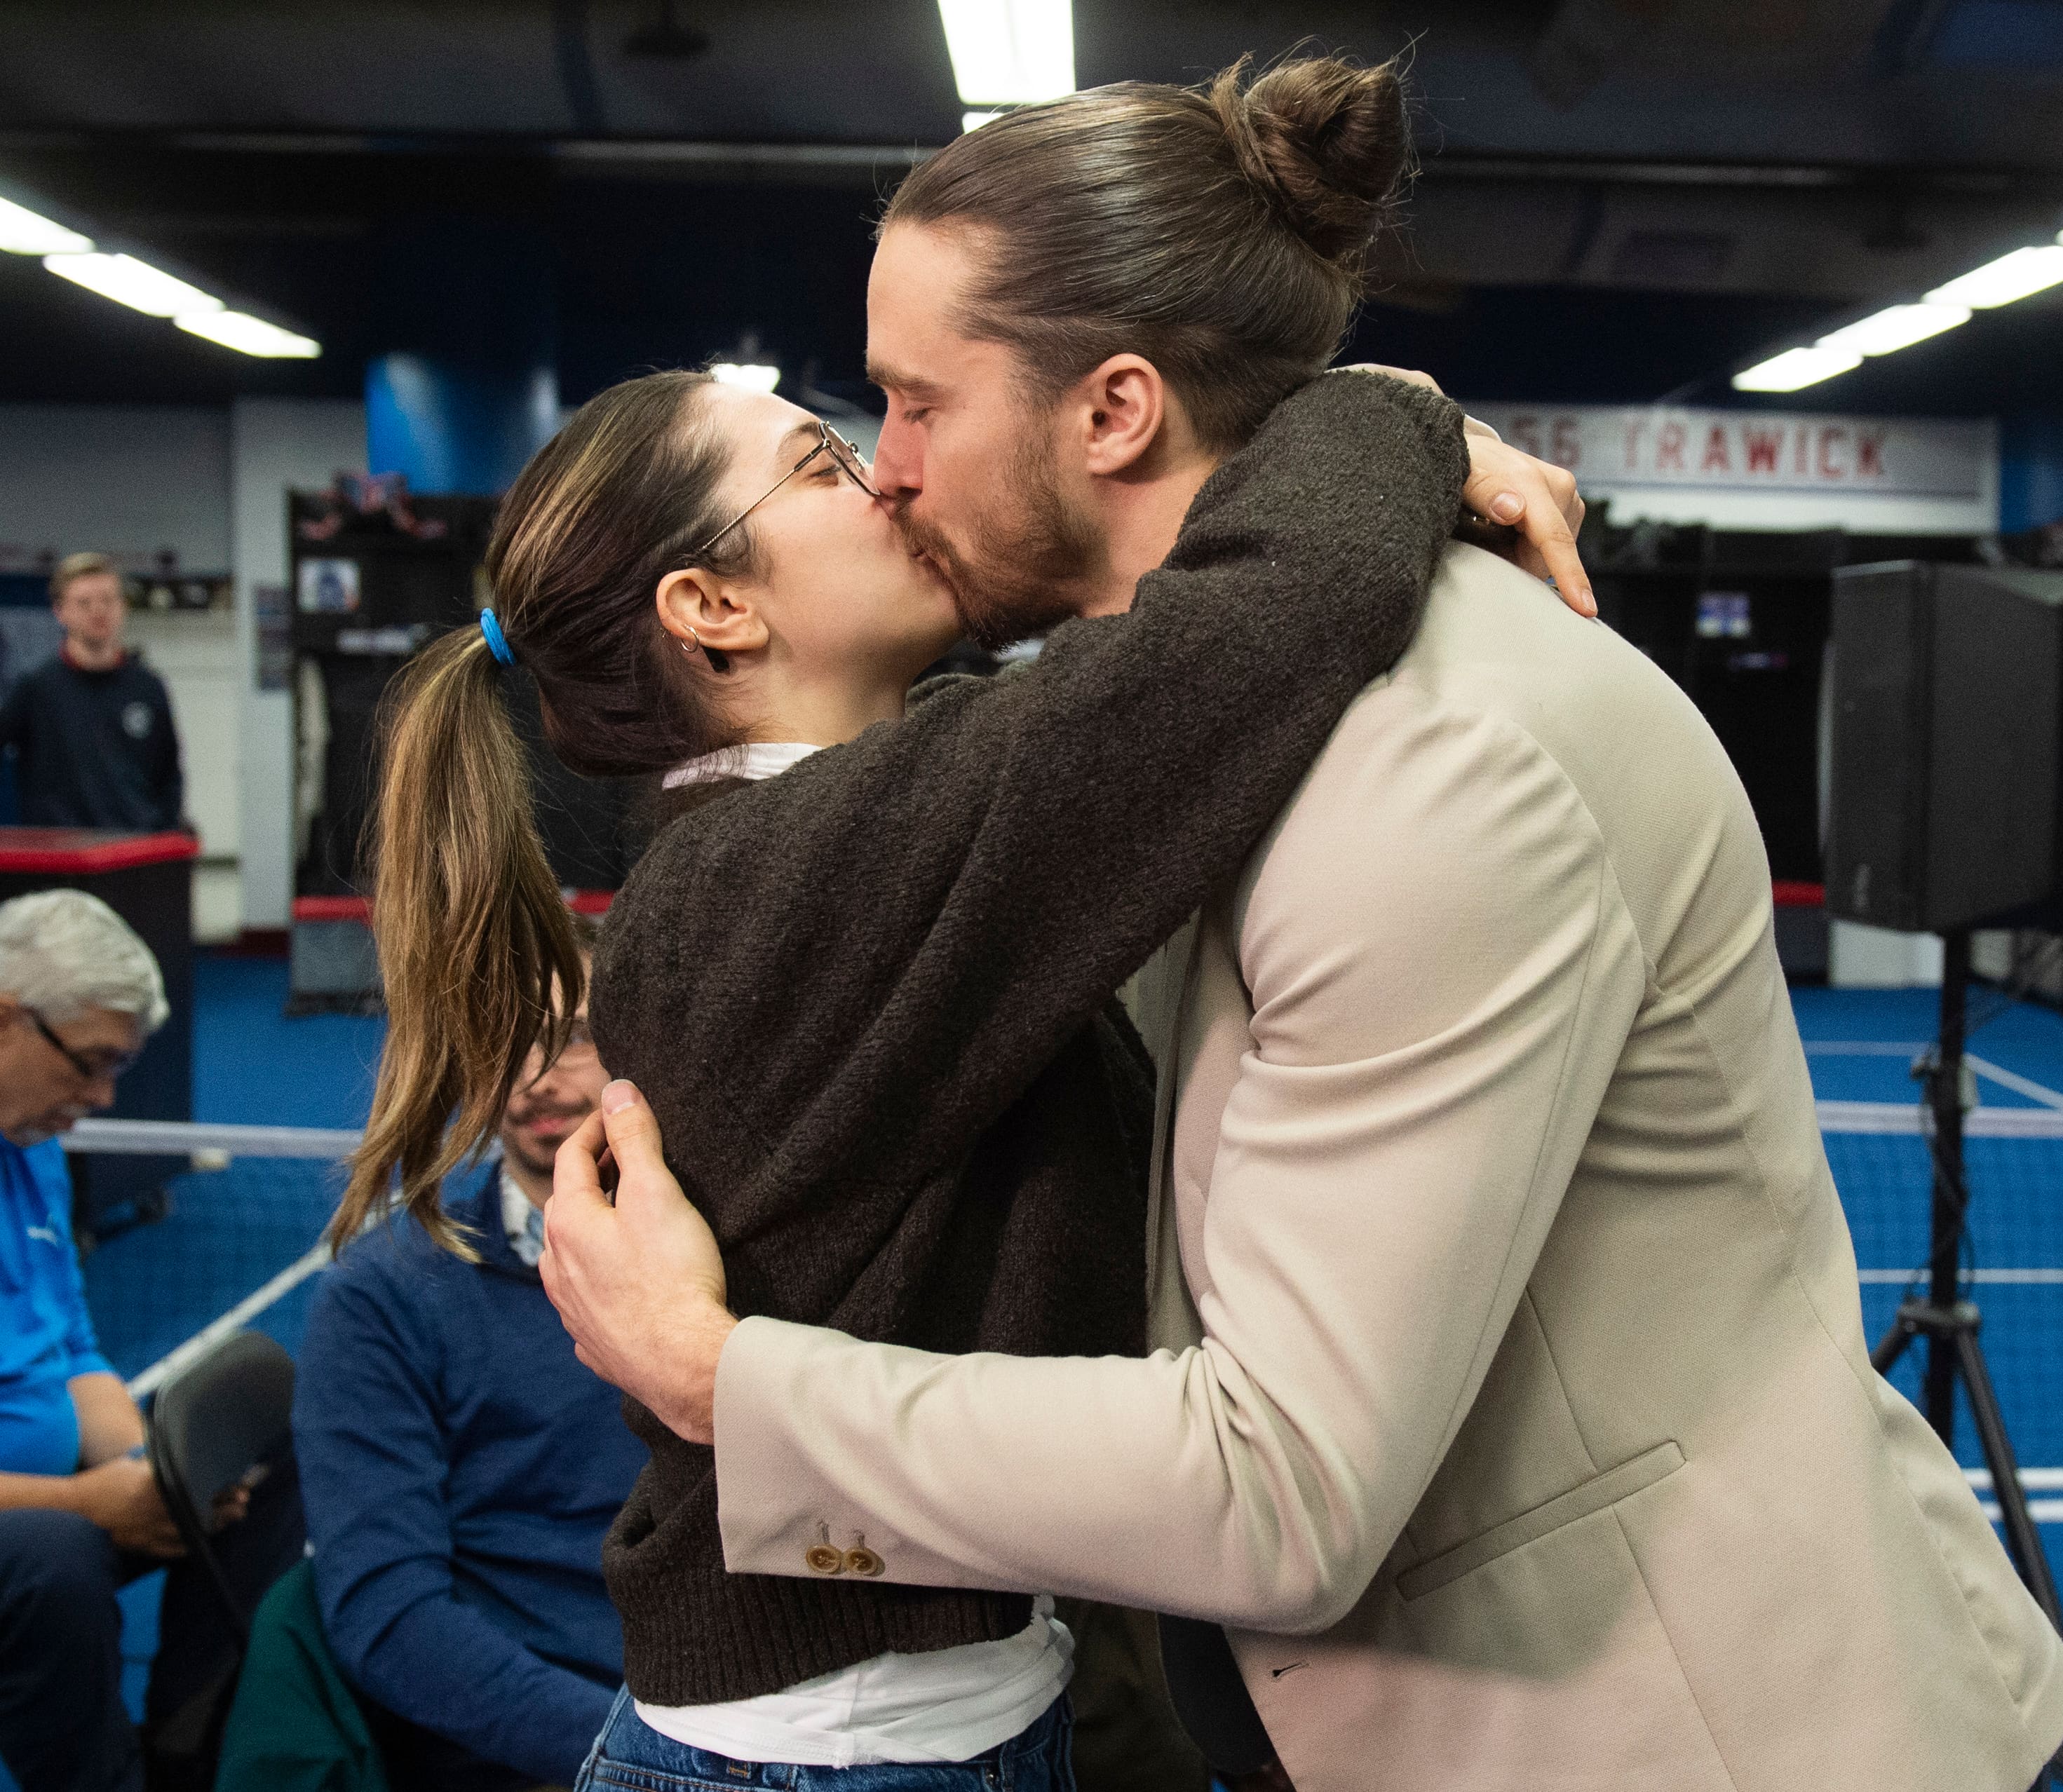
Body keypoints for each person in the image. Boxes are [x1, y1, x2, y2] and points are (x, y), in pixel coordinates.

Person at [539, 54, 2063, 1792]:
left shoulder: (1421, 761)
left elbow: (1274, 1486)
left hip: (1671, 1737)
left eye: (911, 407)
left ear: (1112, 413)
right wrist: (1398, 422)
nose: (892, 476)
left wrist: (720, 1382)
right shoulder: (1171, 715)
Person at [324, 62, 1582, 1784]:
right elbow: (1255, 630)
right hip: (839, 1754)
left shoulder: (816, 830)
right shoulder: (787, 872)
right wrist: (1386, 405)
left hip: (906, 1711)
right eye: (828, 458)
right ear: (713, 608)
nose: (897, 478)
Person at [285, 914, 644, 1792]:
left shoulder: (744, 1262)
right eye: (500, 1040)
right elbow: (390, 1618)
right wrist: (633, 1764)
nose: (533, 1078)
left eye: (573, 1040)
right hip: (548, 1750)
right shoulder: (383, 1298)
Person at [0, 889, 287, 1792]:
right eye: (89, 1065)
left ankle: (186, 1755)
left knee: (261, 1460)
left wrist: (148, 1474)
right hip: (37, 1536)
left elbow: (73, 1349)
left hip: (61, 1497)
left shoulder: (35, 1144)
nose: (101, 1099)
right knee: (54, 1562)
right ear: (5, 1018)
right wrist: (89, 1503)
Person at [0, 554, 187, 833]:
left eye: (108, 600)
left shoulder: (148, 687)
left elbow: (169, 773)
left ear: (123, 607)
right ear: (60, 612)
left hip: (133, 852)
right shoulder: (37, 689)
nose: (98, 611)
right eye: (84, 603)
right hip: (60, 856)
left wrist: (162, 830)